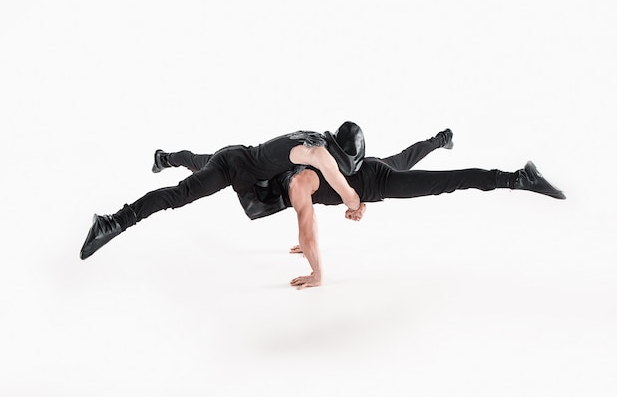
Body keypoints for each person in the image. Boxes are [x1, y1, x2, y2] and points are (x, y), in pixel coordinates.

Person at [145, 128, 565, 289]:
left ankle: (515, 177)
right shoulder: (297, 173)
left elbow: (306, 220)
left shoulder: (305, 179)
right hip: (365, 183)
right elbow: (303, 215)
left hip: (376, 181)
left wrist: (317, 273)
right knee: (206, 161)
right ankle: (166, 158)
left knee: (432, 176)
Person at [80, 122, 366, 260]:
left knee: (197, 162)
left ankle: (164, 158)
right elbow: (347, 194)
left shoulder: (313, 136)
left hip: (238, 161)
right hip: (232, 166)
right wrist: (356, 205)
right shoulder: (318, 153)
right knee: (181, 194)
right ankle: (113, 222)